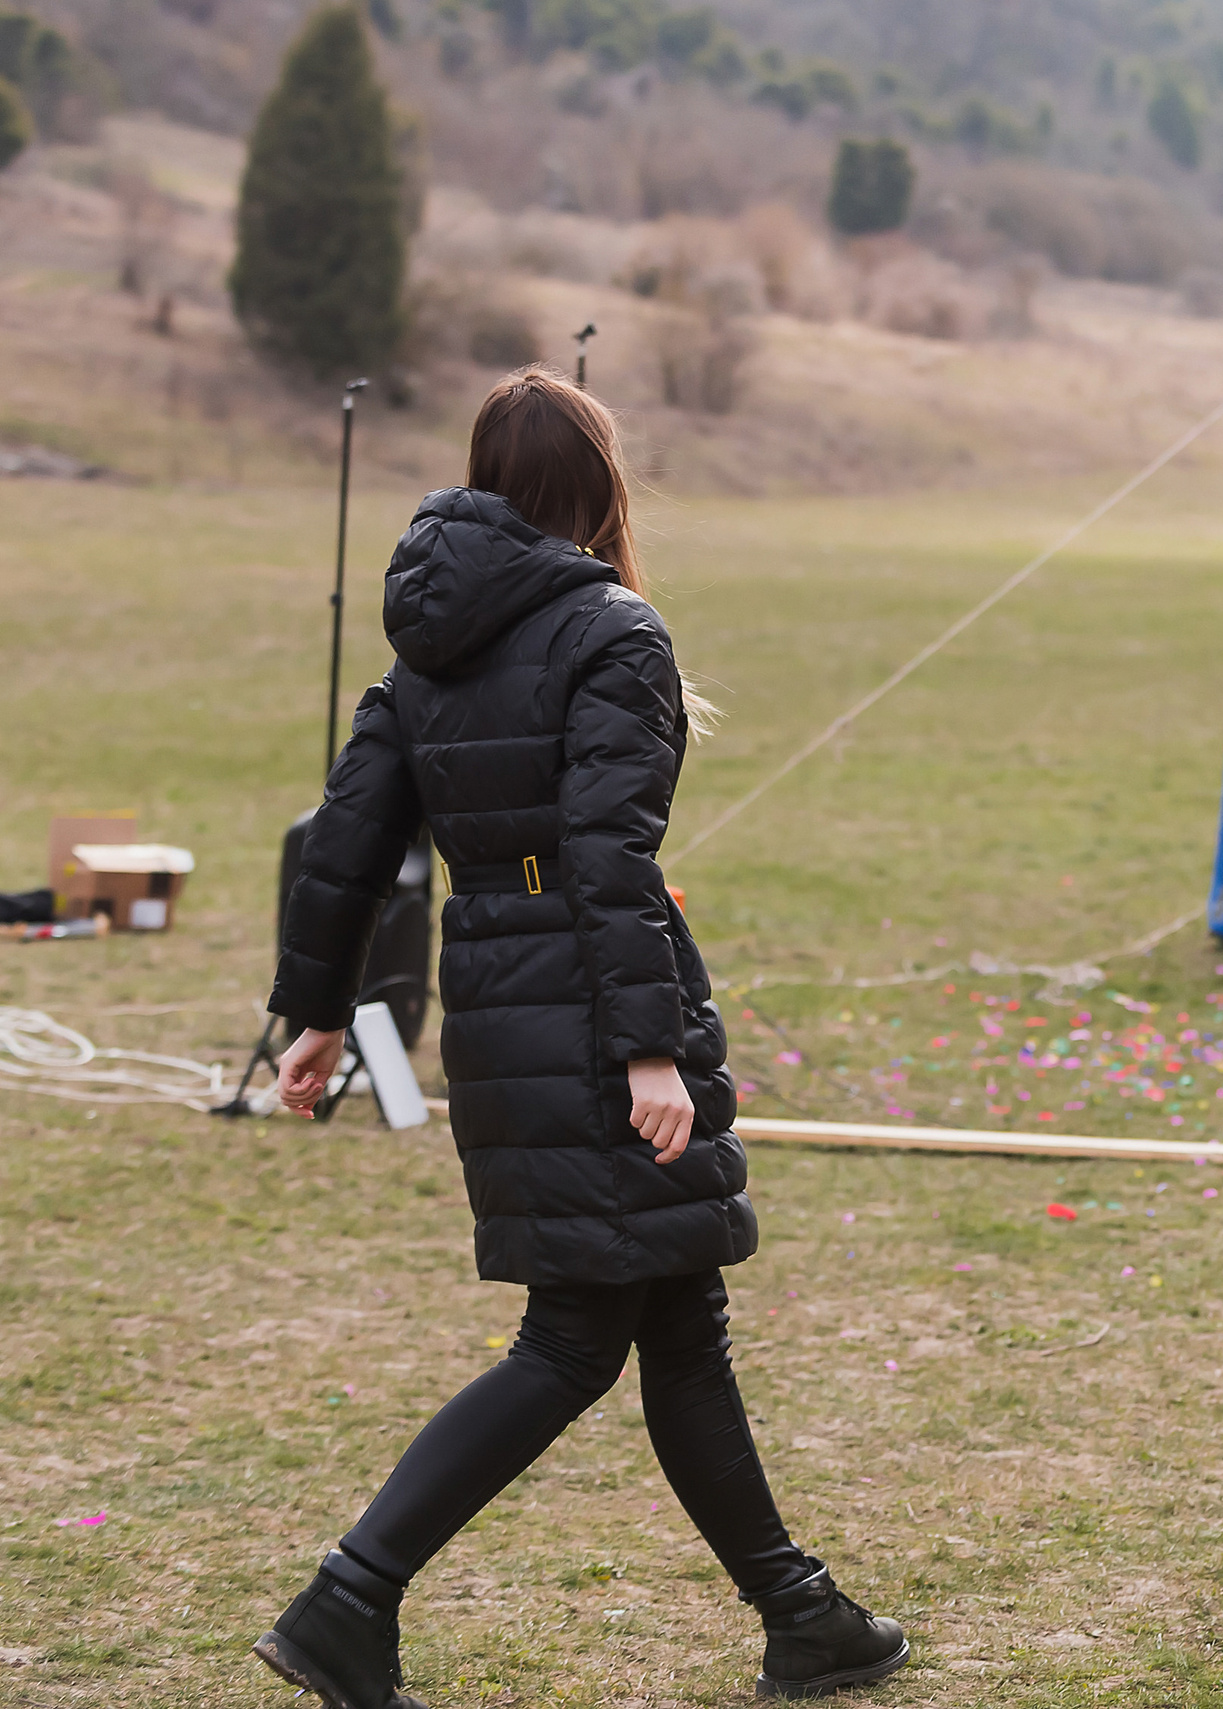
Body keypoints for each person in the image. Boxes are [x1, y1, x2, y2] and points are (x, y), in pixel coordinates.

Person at [251, 366, 906, 1708]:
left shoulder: (422, 641)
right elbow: (610, 851)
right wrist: (649, 1050)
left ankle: (801, 1612)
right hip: (592, 1002)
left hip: (503, 995)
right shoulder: (610, 628)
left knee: (677, 1306)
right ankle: (348, 1595)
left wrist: (313, 1010)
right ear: (599, 485)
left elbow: (347, 843)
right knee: (572, 1337)